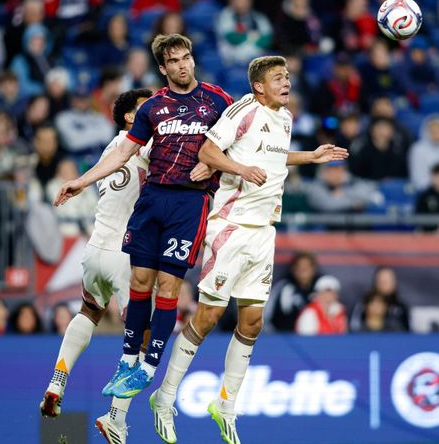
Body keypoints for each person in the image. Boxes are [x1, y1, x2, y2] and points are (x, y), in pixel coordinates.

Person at [145, 55, 347, 444]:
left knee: (252, 322)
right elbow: (207, 153)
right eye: (277, 78)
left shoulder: (284, 119)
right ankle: (164, 396)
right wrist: (239, 170)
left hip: (264, 231)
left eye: (288, 76)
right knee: (208, 316)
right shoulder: (244, 109)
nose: (286, 83)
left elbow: (268, 158)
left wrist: (310, 157)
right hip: (231, 227)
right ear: (258, 86)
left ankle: (226, 405)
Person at [53, 34, 233, 412]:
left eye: (187, 58)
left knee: (167, 289)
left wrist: (214, 163)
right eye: (175, 61)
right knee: (139, 283)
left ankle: (149, 365)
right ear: (163, 68)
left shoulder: (218, 100)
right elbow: (122, 151)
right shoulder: (153, 108)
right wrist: (81, 182)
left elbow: (237, 140)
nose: (184, 65)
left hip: (188, 203)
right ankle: (128, 362)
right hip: (153, 201)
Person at [40, 89, 154, 444]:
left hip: (94, 249)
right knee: (146, 336)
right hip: (125, 253)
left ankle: (58, 379)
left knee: (88, 311)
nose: (156, 112)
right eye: (145, 108)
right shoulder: (146, 145)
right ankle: (115, 417)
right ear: (130, 119)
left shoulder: (112, 148)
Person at [265, 251, 320, 332]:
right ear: (293, 269)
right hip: (283, 337)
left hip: (316, 339)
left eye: (306, 267)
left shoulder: (321, 289)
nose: (302, 271)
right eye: (299, 267)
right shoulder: (282, 288)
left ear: (313, 269)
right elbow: (266, 316)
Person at [349, 266, 409, 332]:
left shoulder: (401, 307)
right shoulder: (362, 304)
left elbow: (407, 334)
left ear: (394, 282)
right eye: (382, 281)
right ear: (376, 282)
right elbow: (354, 328)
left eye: (388, 280)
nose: (385, 284)